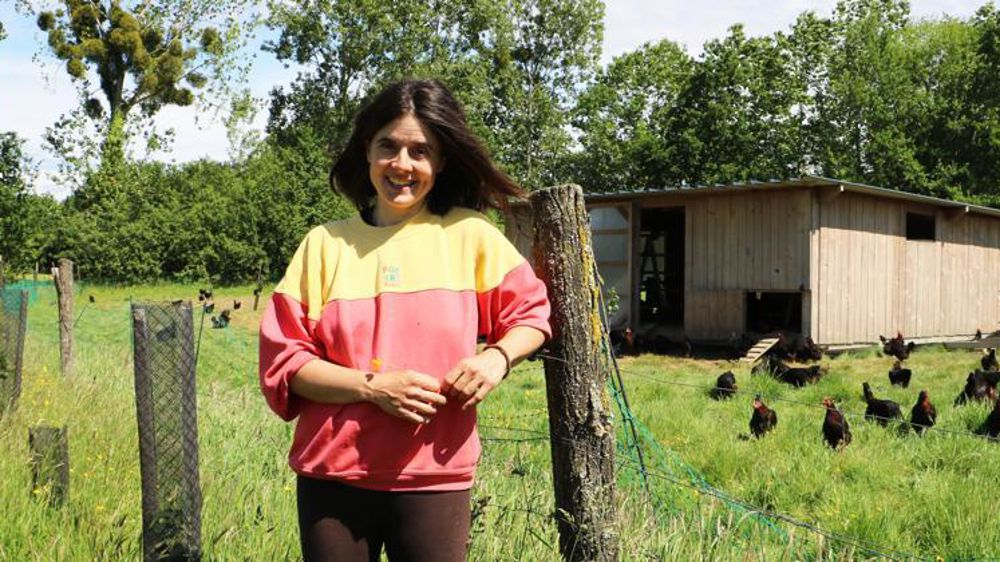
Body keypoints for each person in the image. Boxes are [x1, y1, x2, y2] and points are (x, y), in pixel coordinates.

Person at [259, 78, 552, 562]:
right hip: (333, 473)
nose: (402, 164)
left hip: (435, 475)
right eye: (388, 146)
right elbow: (284, 362)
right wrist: (372, 387)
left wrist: (496, 359)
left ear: (440, 162)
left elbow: (532, 314)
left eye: (421, 151)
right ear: (365, 152)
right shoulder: (323, 245)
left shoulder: (469, 235)